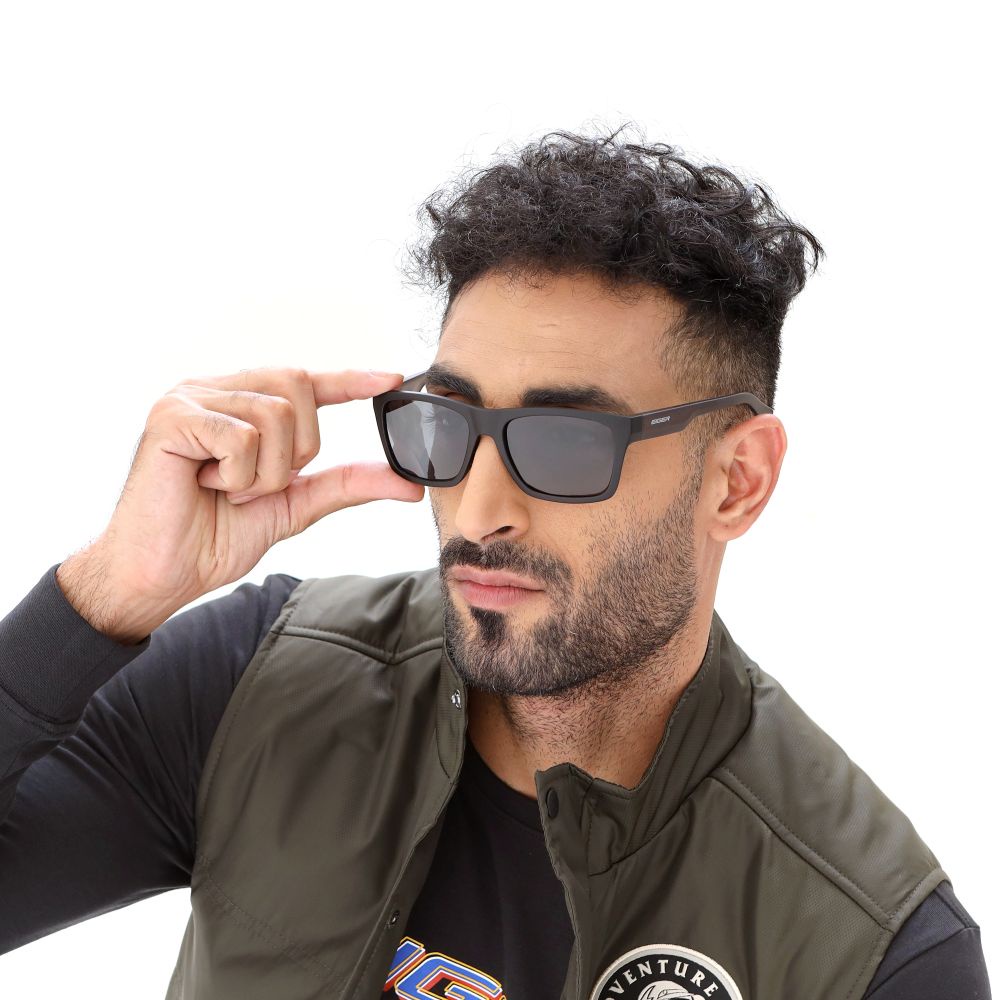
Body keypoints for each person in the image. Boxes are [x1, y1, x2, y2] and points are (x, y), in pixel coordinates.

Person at [0, 128, 990, 999]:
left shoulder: (870, 952)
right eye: (453, 423)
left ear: (737, 481)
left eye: (562, 442)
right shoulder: (259, 681)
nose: (479, 512)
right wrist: (104, 597)